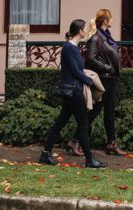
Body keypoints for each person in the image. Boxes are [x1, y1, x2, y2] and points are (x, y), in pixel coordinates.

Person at [39, 19, 106, 168]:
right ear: (80, 31)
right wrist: (89, 80)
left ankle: (46, 153)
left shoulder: (73, 47)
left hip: (73, 90)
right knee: (83, 125)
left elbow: (77, 70)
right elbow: (75, 71)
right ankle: (89, 159)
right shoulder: (69, 48)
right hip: (73, 91)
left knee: (61, 122)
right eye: (84, 28)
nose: (86, 31)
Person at [84, 8, 125, 156]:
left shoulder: (106, 36)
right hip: (102, 78)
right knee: (95, 110)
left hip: (110, 78)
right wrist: (107, 67)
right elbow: (90, 58)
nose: (113, 20)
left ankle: (111, 143)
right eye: (111, 18)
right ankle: (75, 140)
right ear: (106, 21)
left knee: (110, 111)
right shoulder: (96, 38)